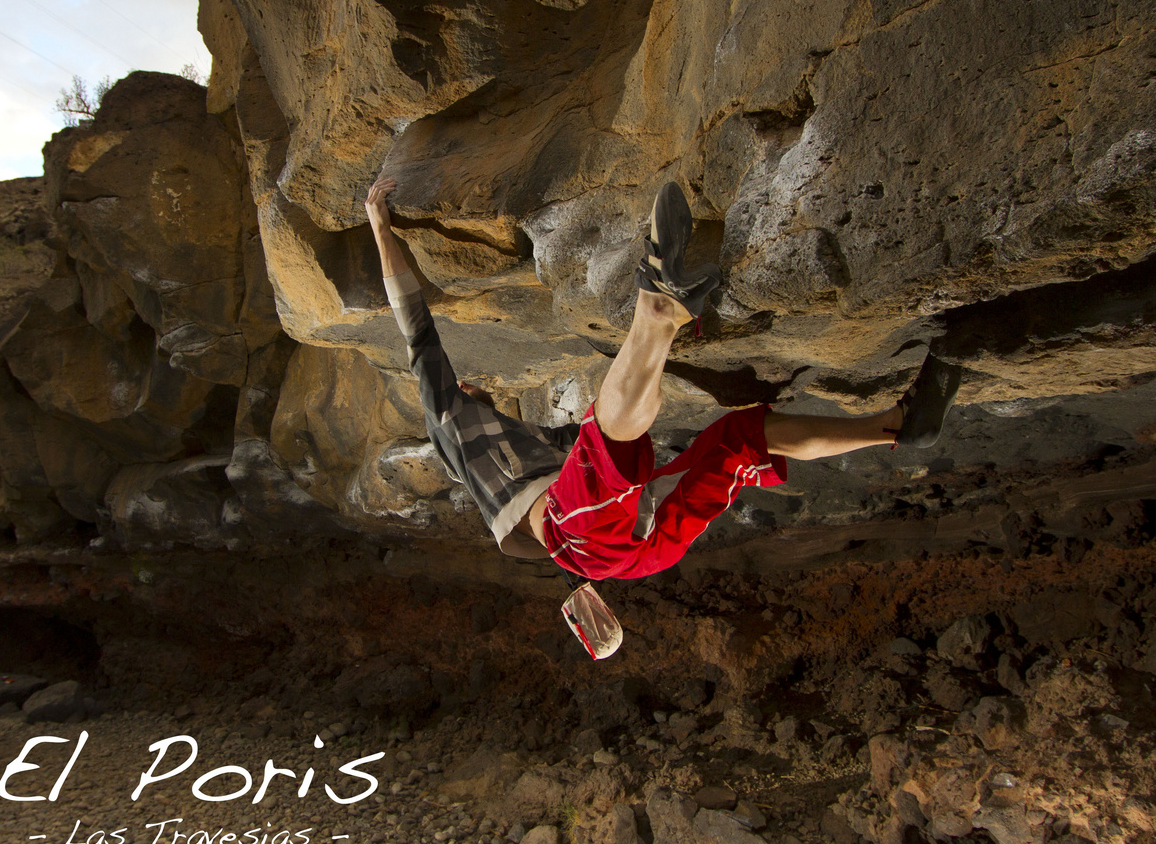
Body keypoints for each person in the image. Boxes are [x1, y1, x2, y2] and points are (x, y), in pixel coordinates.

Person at [365, 176, 961, 658]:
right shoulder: (452, 427)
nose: (474, 387)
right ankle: (657, 310)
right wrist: (380, 228)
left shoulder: (530, 445)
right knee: (606, 439)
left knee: (737, 440)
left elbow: (611, 446)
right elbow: (417, 334)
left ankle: (898, 426)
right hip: (591, 540)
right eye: (472, 390)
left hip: (636, 550)